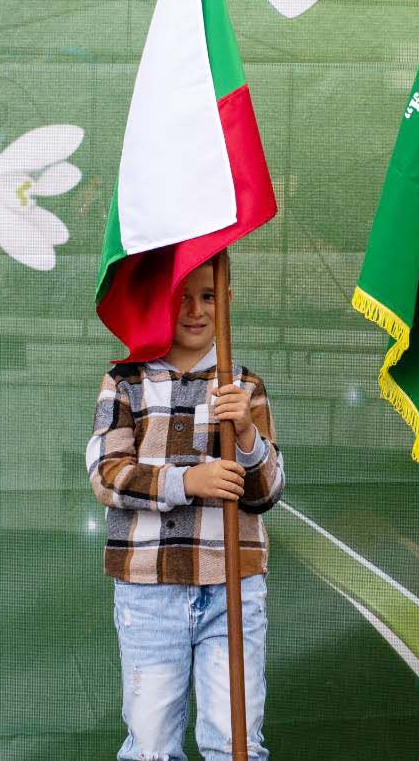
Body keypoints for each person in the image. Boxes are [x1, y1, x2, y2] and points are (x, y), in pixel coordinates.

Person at [88, 259, 286, 761]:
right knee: (152, 745)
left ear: (227, 302)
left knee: (235, 742)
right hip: (148, 590)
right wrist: (186, 481)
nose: (195, 310)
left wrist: (246, 435)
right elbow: (107, 474)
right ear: (160, 300)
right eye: (181, 296)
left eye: (208, 296)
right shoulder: (125, 381)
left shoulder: (244, 387)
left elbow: (266, 493)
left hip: (233, 585)